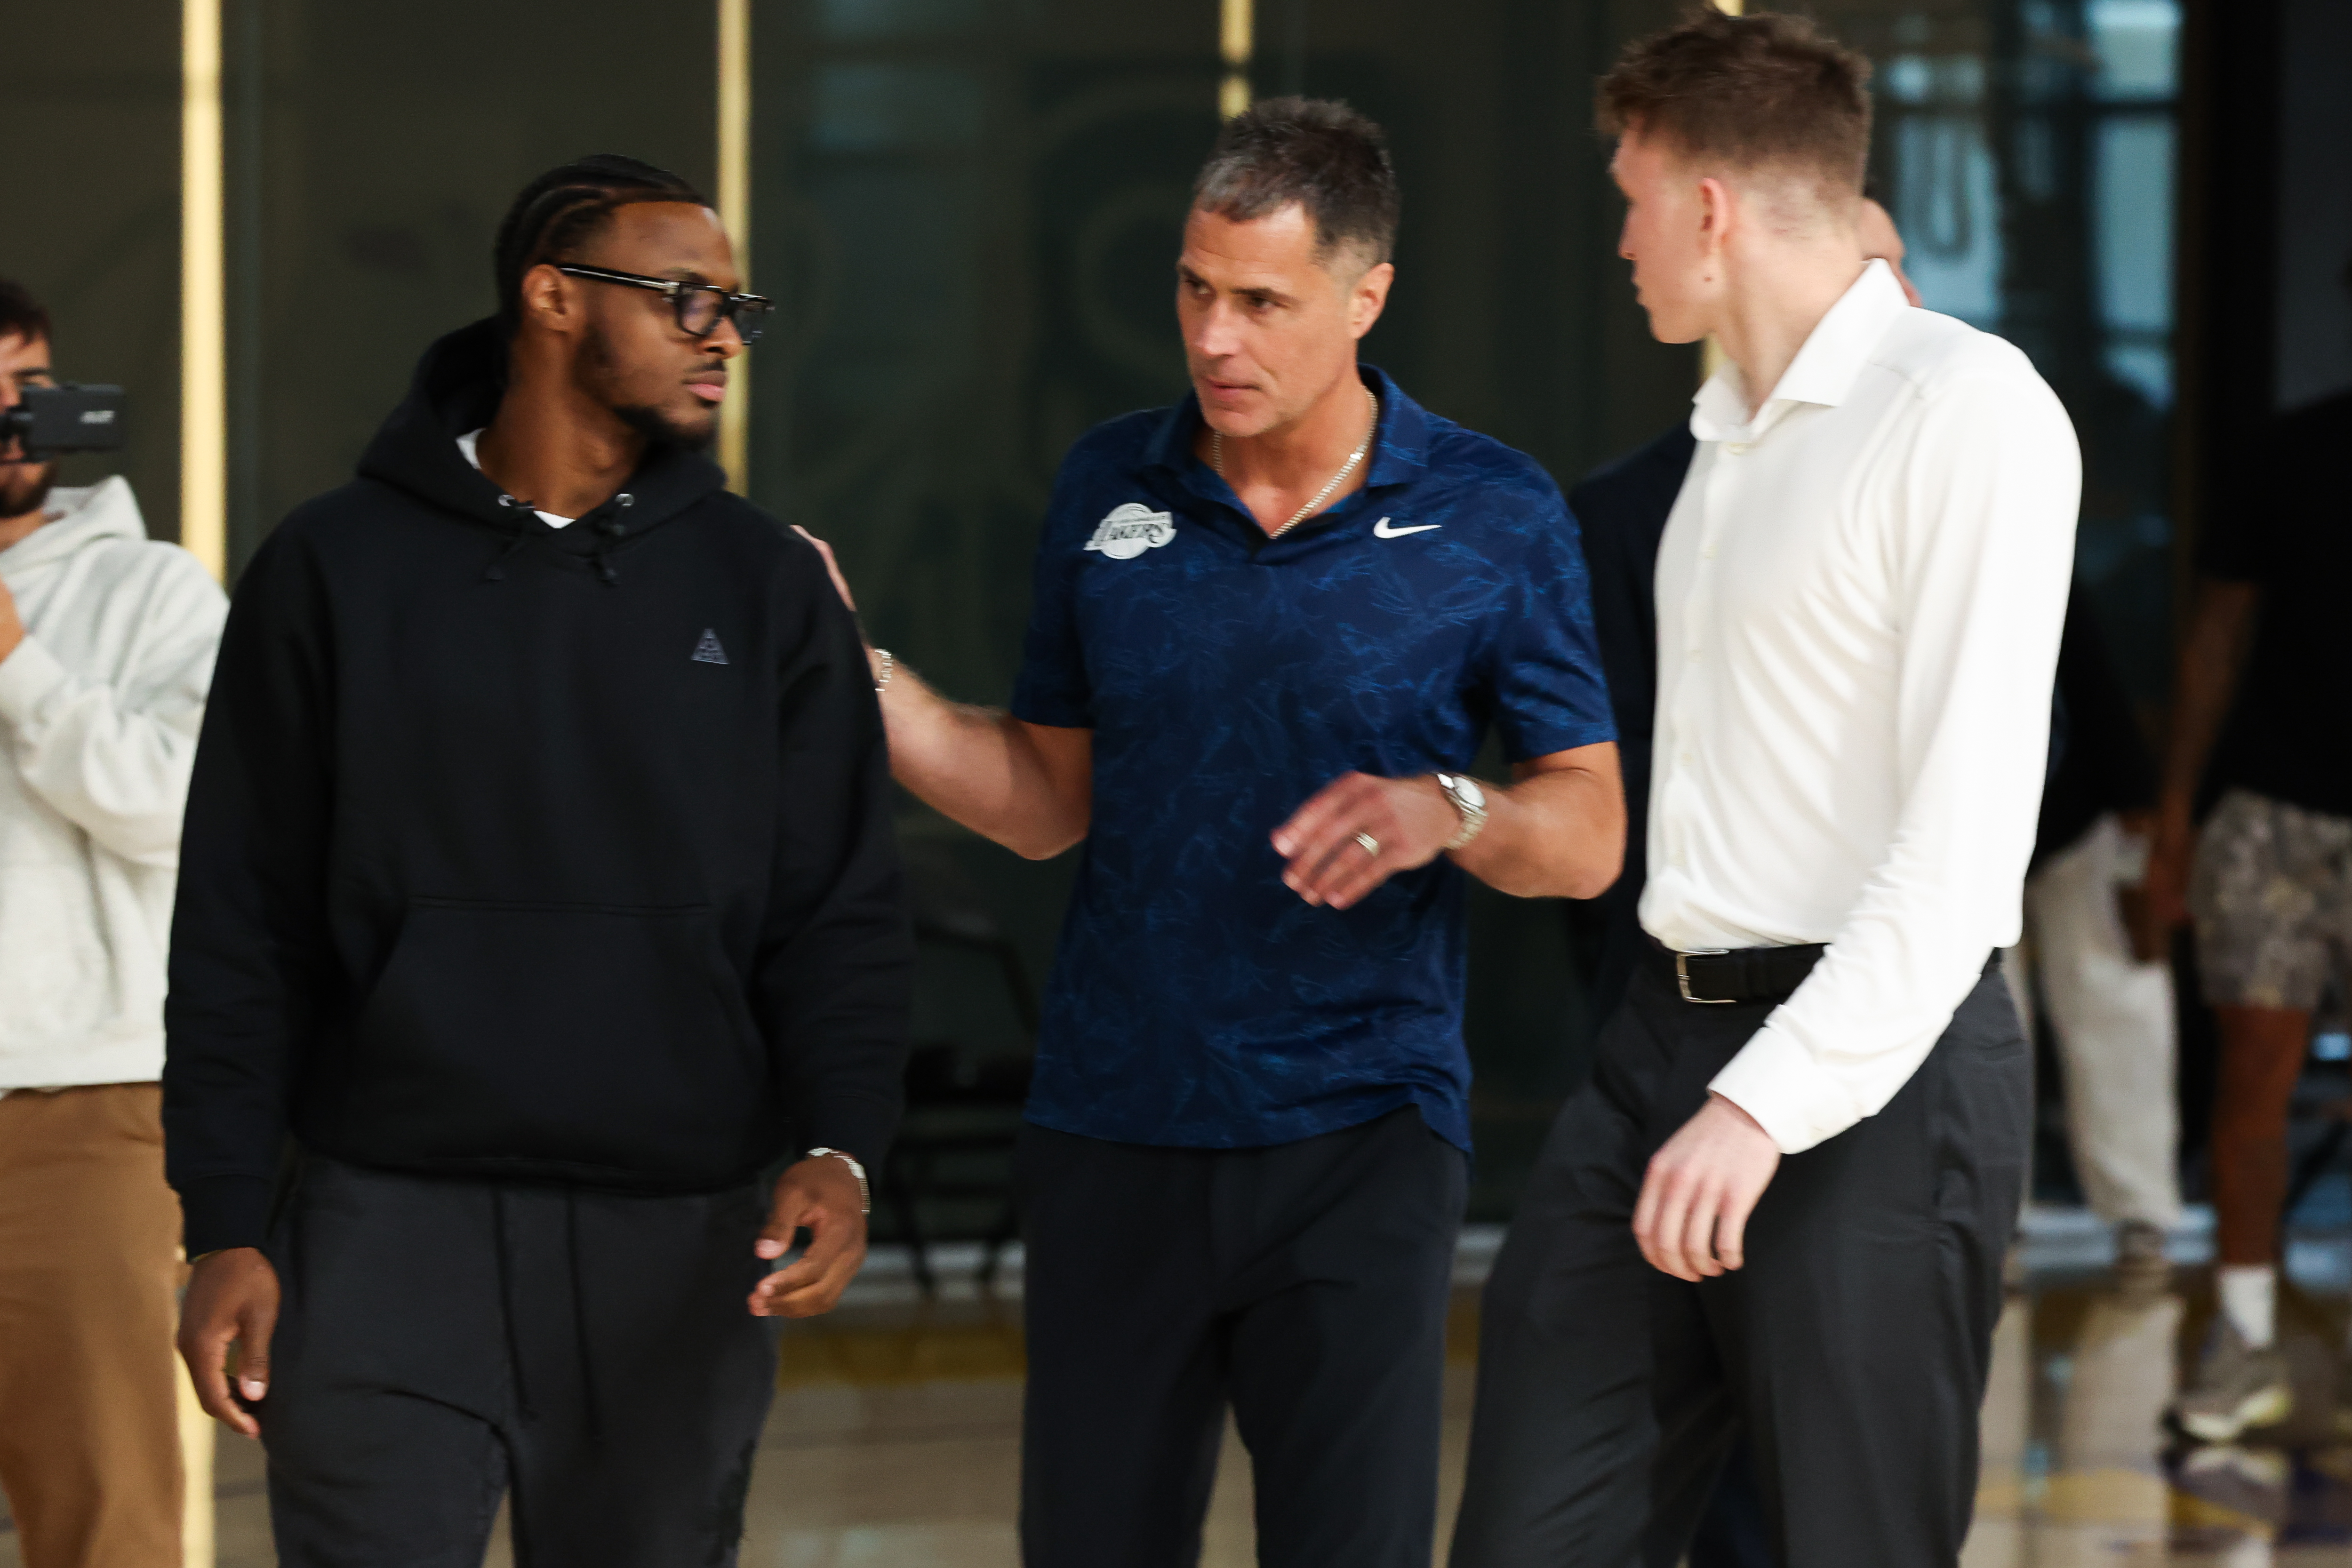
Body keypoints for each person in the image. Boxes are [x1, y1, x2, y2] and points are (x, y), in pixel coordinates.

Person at [800, 97, 1623, 1566]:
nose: (1213, 337)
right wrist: (863, 681)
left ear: (1366, 297)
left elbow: (1585, 833)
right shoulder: (1107, 485)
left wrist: (1448, 807)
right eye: (1192, 287)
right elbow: (1051, 802)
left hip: (1361, 1130)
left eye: (1260, 300)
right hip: (1112, 1124)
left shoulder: (1493, 511)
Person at [163, 155, 912, 1567]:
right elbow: (238, 921)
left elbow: (839, 911)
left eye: (736, 306)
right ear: (553, 298)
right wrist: (221, 1220)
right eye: (686, 298)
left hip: (680, 1240)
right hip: (383, 1229)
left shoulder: (761, 588)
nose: (722, 336)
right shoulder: (331, 569)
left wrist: (838, 1141)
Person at [1450, 13, 2079, 1566]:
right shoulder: (1719, 445)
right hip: (1657, 1048)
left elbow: (1958, 849)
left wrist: (1761, 1100)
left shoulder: (1964, 407)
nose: (1618, 238)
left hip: (1873, 1076)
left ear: (1709, 208)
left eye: (1630, 196)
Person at [1569, 197, 1927, 1568]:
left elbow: (2018, 775)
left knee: (1824, 1482)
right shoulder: (1620, 507)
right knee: (1669, 1448)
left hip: (1872, 1025)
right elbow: (1602, 783)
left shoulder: (1951, 446)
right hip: (1660, 1016)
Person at [0, 278, 225, 1568]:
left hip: (77, 1115)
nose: (13, 425)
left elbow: (180, 810)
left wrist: (18, 666)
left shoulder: (152, 592)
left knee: (104, 1517)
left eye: (31, 389)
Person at [2140, 369, 2352, 1441]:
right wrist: (2177, 812)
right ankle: (2243, 1333)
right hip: (2274, 806)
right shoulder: (2293, 450)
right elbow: (2217, 631)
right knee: (2251, 1088)